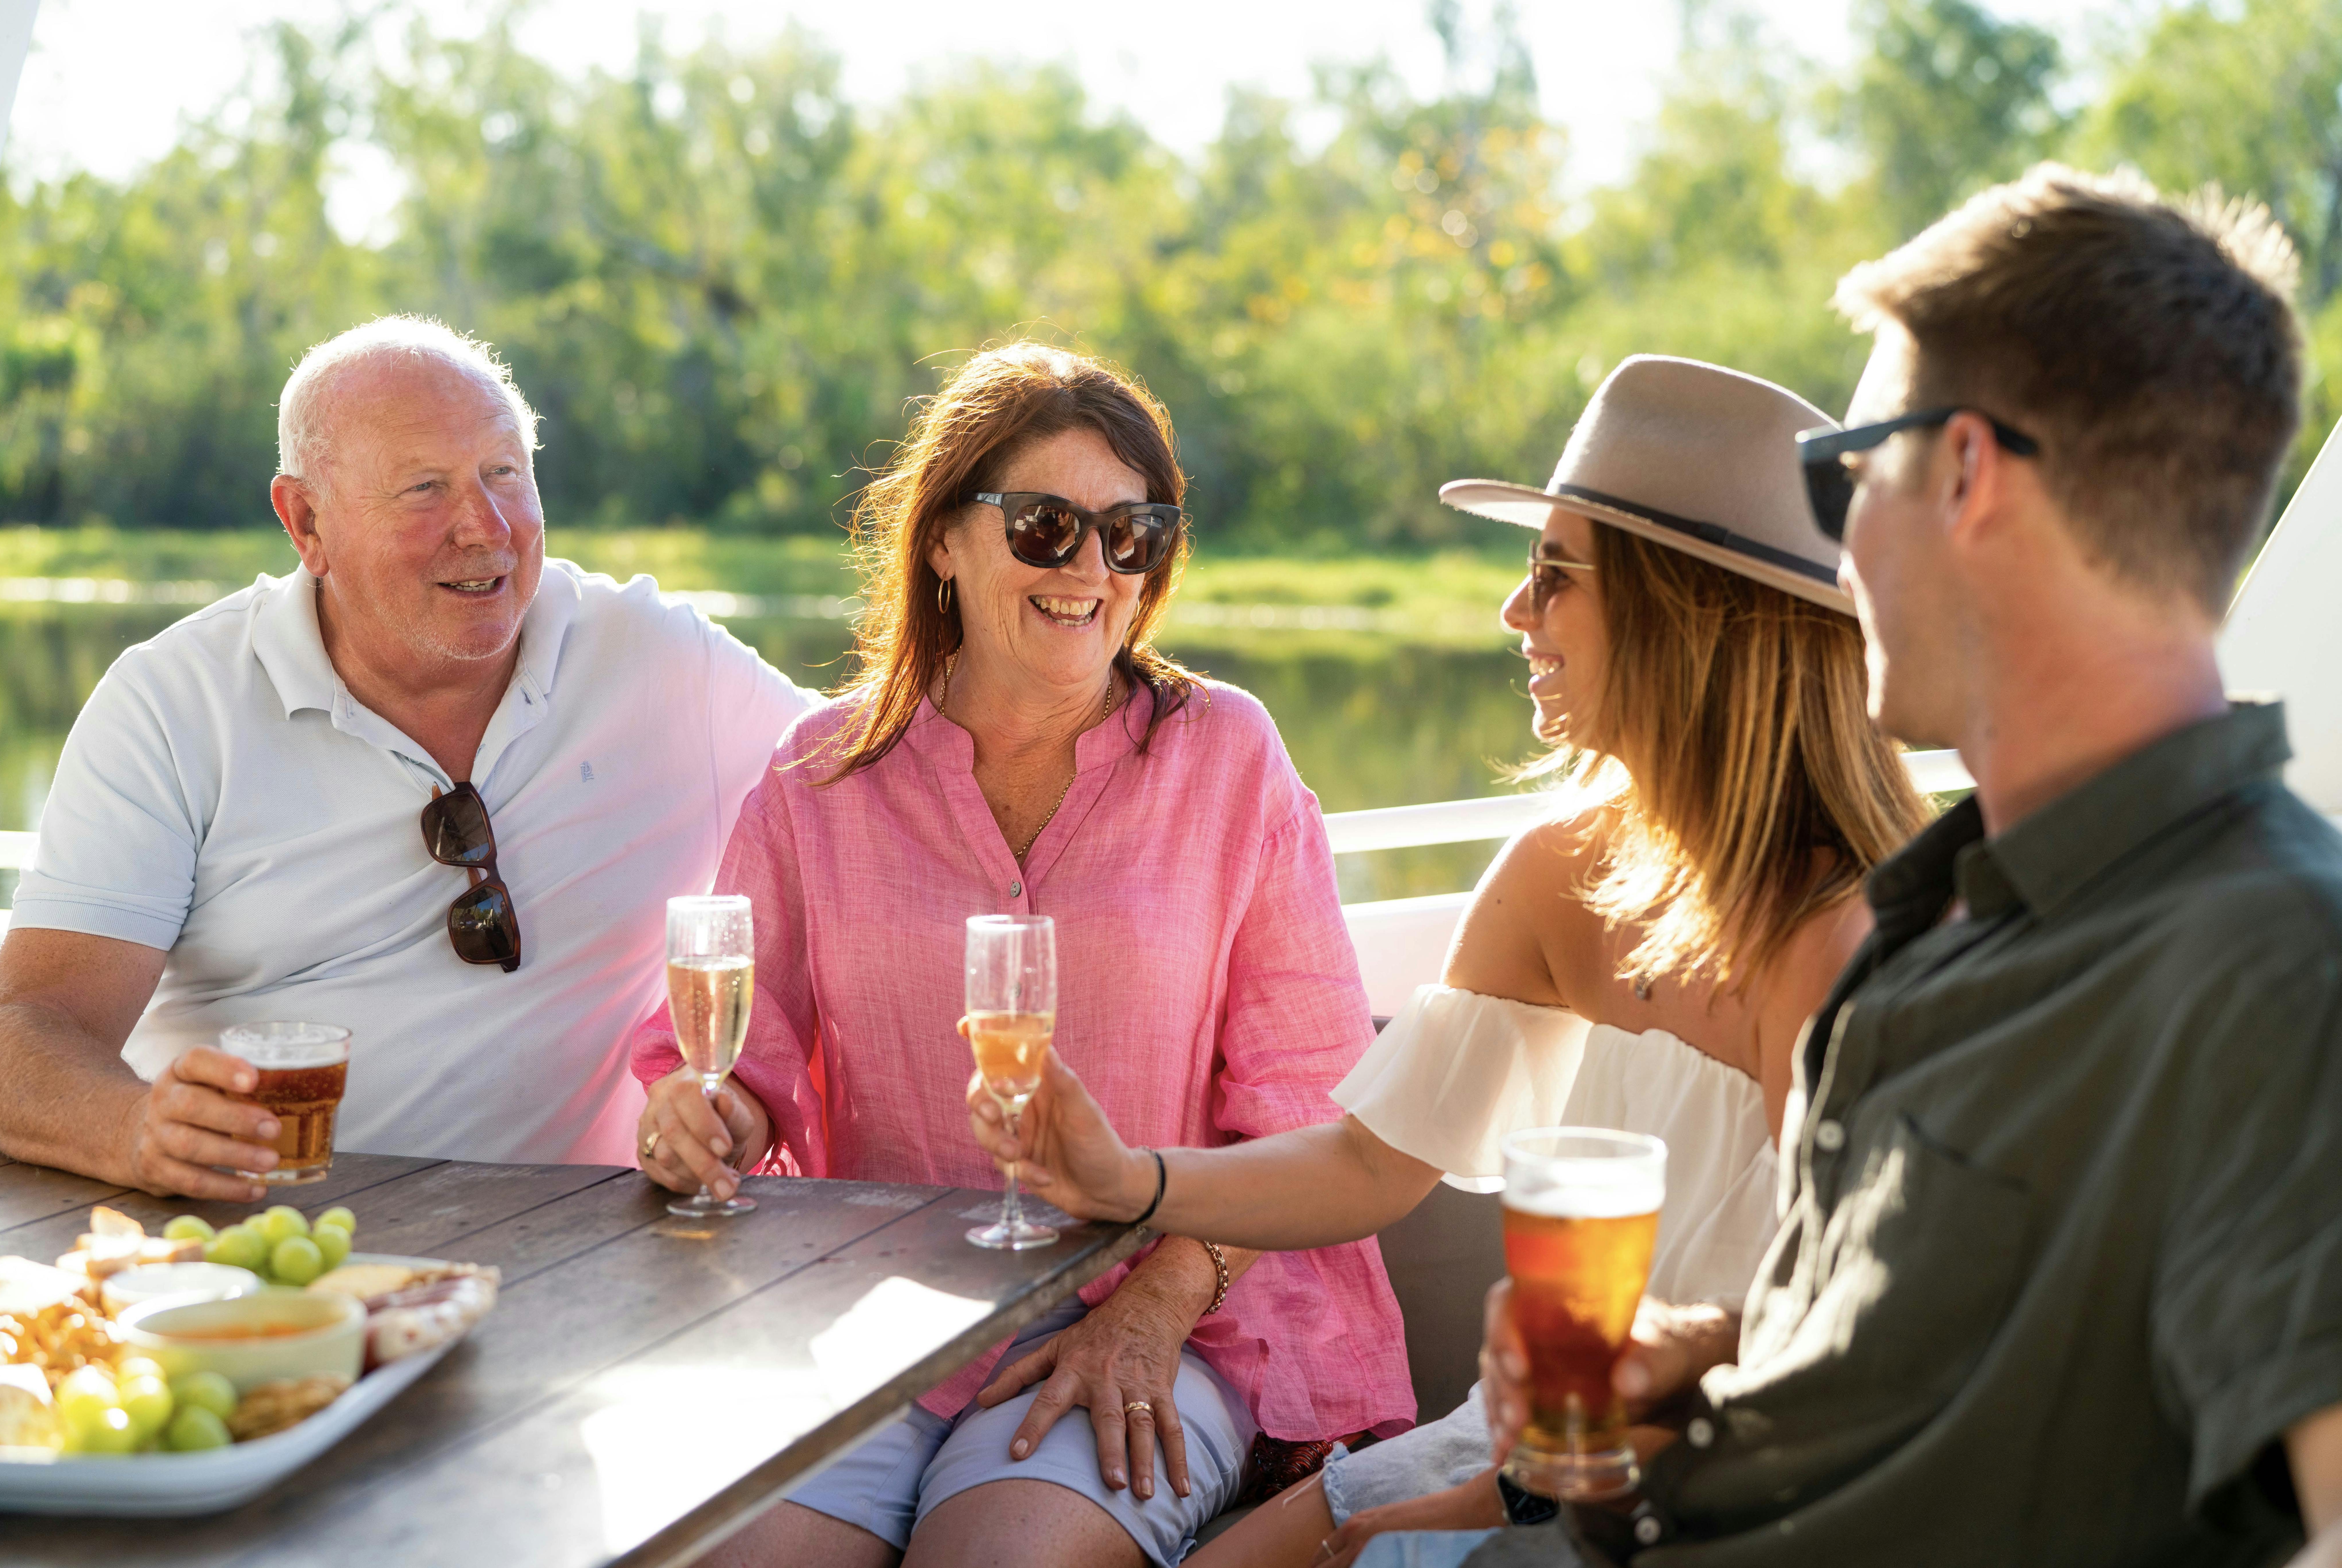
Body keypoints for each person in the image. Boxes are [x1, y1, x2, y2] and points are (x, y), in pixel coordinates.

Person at [1400, 165, 2342, 1567]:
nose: (1833, 563)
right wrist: (1707, 1356)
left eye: (1842, 483)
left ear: (1962, 472)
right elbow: (1953, 1365)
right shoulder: (1946, 922)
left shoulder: (2272, 970)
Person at [966, 355, 1931, 1567]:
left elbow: (1845, 1341)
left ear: (1683, 613)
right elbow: (1373, 1159)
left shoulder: (1842, 936)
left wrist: (1484, 1508)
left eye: (1552, 574)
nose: (1512, 614)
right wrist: (1126, 1179)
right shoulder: (1559, 874)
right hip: (1542, 1432)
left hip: (1731, 1462)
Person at [627, 342, 1414, 1568]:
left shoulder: (1230, 758)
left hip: (1175, 1309)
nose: (1093, 570)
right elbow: (739, 1079)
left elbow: (1305, 1114)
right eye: (1046, 527)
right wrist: (701, 1113)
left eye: (1131, 534)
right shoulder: (815, 776)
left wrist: (1154, 1308)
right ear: (942, 539)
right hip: (888, 1324)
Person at [0, 316, 816, 1190]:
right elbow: (25, 1034)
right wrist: (135, 1131)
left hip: (596, 1260)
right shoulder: (173, 703)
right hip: (270, 1259)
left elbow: (873, 775)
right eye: (424, 488)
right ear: (307, 522)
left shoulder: (659, 662)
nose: (484, 527)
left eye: (504, 474)